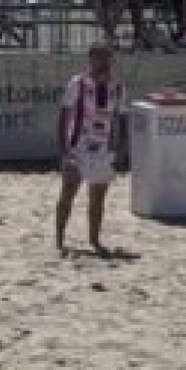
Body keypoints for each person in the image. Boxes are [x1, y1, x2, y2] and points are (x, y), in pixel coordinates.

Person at [54, 41, 127, 255]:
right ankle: (59, 239)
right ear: (91, 59)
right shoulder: (78, 83)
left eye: (107, 58)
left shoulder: (118, 86)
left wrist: (121, 146)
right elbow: (63, 115)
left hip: (104, 148)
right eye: (99, 57)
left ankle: (94, 240)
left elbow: (122, 118)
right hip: (78, 146)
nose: (104, 63)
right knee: (68, 193)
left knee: (97, 199)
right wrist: (63, 149)